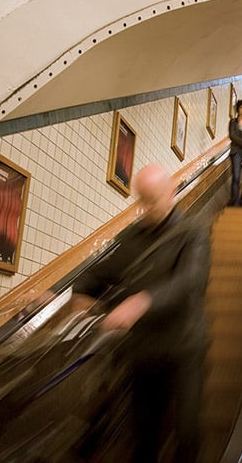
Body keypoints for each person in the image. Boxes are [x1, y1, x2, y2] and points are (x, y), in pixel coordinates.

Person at [71, 163, 211, 462]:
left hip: (182, 351)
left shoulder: (193, 233)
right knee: (144, 436)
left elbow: (189, 282)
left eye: (152, 200)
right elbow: (96, 273)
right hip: (142, 355)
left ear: (171, 193)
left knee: (187, 432)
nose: (145, 209)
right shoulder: (131, 237)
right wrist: (80, 294)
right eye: (141, 201)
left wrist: (142, 301)